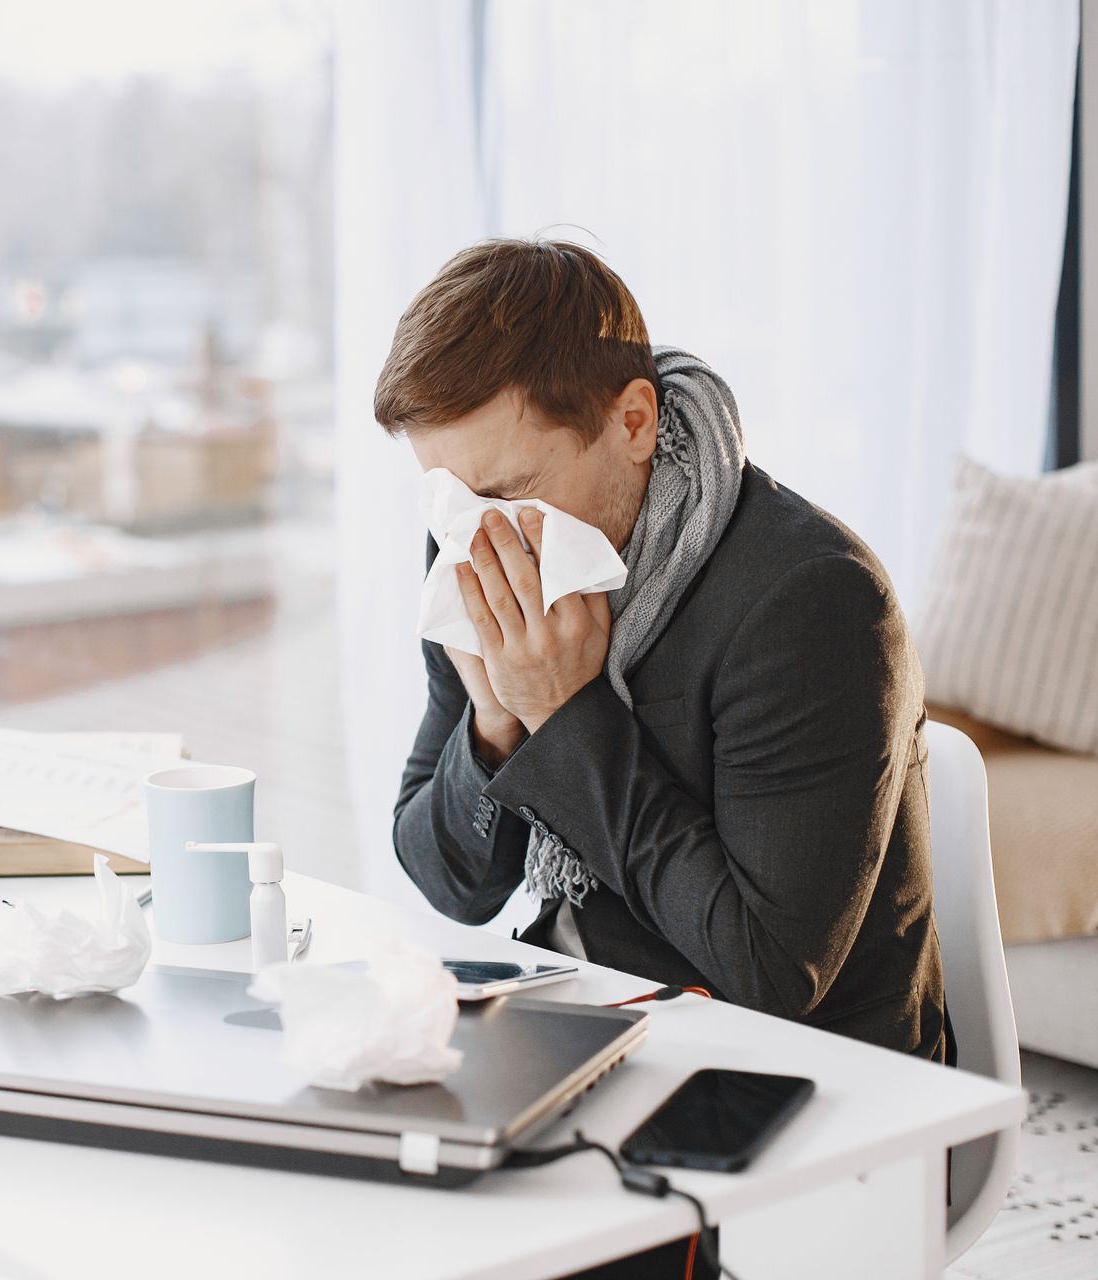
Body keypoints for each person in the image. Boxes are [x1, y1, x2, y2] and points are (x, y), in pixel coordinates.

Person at [382, 238, 947, 1276]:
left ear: (633, 423)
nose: (474, 537)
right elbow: (447, 876)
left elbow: (771, 971)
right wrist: (495, 723)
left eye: (508, 487)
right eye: (446, 499)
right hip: (578, 1020)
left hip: (801, 1078)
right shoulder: (476, 533)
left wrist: (565, 713)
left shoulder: (810, 600)